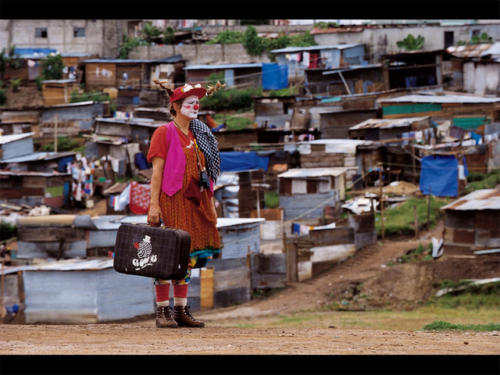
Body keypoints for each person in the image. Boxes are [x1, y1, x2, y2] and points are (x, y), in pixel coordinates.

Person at [146, 83, 222, 329]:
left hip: (192, 202)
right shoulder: (164, 133)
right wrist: (153, 205)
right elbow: (157, 173)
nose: (195, 107)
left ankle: (180, 309)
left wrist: (210, 202)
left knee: (187, 258)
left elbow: (204, 172)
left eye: (196, 103)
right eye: (189, 103)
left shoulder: (197, 135)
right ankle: (162, 311)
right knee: (168, 255)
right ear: (175, 106)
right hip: (171, 201)